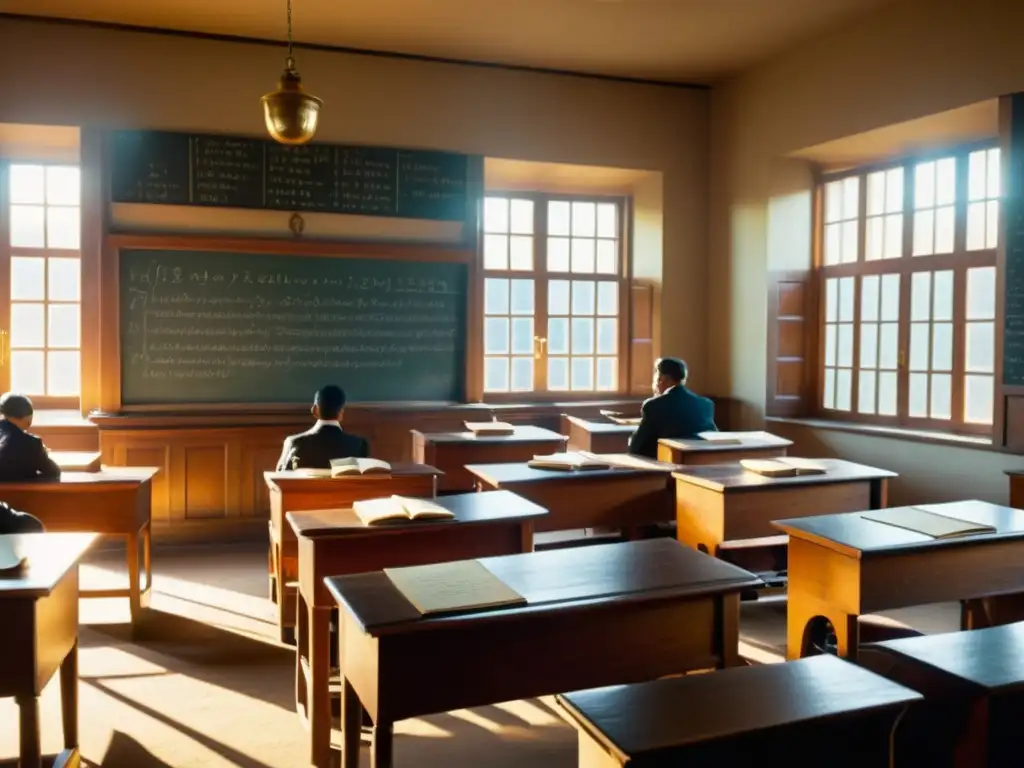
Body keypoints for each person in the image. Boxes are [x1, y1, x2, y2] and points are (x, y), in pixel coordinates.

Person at [627, 358, 717, 458]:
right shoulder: (706, 404)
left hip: (667, 464)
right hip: (704, 462)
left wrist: (631, 441)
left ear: (661, 379)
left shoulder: (654, 405)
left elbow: (637, 447)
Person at [275, 385, 370, 471]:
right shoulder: (359, 445)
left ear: (315, 410)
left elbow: (279, 479)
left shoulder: (294, 443)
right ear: (341, 413)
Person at [0, 392, 61, 482]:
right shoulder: (31, 444)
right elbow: (54, 472)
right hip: (23, 495)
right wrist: (43, 453)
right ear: (27, 417)